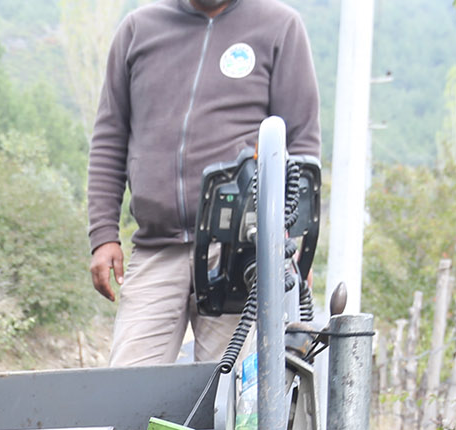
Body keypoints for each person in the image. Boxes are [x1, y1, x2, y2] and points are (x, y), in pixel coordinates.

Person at [87, 0, 321, 366]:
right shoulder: (139, 30)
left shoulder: (279, 26)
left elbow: (301, 144)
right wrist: (103, 235)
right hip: (156, 247)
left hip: (239, 252)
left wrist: (294, 241)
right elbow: (109, 138)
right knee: (127, 389)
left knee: (231, 399)